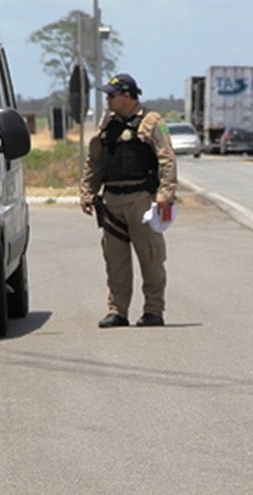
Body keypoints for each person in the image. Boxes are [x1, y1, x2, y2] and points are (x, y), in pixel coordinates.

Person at [80, 72, 177, 328]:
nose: (108, 100)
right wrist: (87, 192)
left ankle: (153, 311)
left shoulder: (153, 122)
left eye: (111, 96)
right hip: (112, 201)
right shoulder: (107, 124)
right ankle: (117, 311)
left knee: (151, 258)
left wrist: (166, 194)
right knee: (115, 261)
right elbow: (95, 161)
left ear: (126, 96)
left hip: (142, 200)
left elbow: (167, 158)